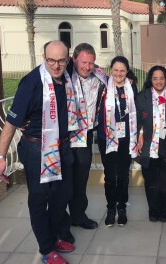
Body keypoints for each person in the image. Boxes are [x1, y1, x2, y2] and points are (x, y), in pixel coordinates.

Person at [0, 40, 75, 264]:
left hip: (61, 146)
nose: (56, 65)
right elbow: (11, 124)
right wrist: (1, 157)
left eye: (61, 60)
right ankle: (47, 249)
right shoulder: (31, 83)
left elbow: (87, 62)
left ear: (67, 60)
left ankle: (54, 234)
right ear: (43, 57)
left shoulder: (66, 72)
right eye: (51, 60)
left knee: (62, 196)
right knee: (39, 200)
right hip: (35, 148)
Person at [67, 43, 107, 230]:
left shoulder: (98, 77)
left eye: (91, 63)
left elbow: (119, 80)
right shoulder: (63, 76)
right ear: (74, 59)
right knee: (63, 180)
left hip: (85, 134)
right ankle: (60, 219)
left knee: (81, 178)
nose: (87, 67)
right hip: (64, 136)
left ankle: (78, 215)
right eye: (83, 62)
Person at [96, 56, 138, 227]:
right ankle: (111, 207)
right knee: (110, 176)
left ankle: (121, 207)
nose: (119, 73)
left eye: (122, 70)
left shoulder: (132, 87)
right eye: (115, 70)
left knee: (122, 175)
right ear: (110, 70)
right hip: (106, 137)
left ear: (127, 71)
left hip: (126, 138)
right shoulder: (103, 88)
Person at [135, 65, 166, 222]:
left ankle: (163, 207)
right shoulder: (142, 97)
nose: (158, 81)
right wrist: (139, 134)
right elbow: (137, 119)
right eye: (155, 78)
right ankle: (153, 209)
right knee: (151, 180)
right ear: (150, 80)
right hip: (149, 144)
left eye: (161, 78)